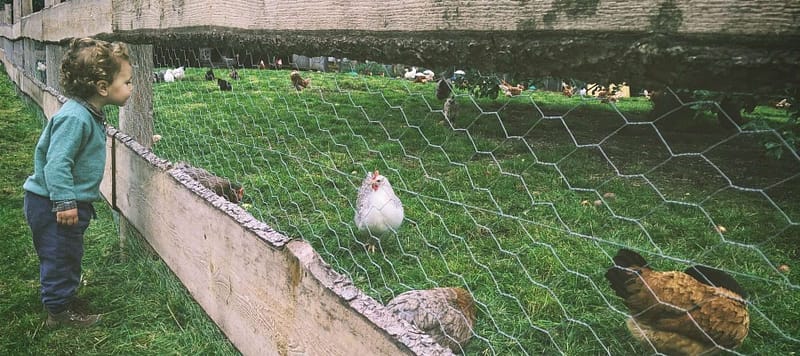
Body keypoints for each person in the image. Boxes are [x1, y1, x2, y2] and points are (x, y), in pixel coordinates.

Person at [22, 37, 133, 327]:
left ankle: (63, 298)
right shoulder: (76, 118)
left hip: (62, 202)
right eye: (127, 81)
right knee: (60, 256)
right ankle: (59, 312)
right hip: (53, 204)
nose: (131, 87)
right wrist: (65, 202)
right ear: (102, 87)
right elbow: (57, 163)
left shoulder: (88, 113)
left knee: (68, 253)